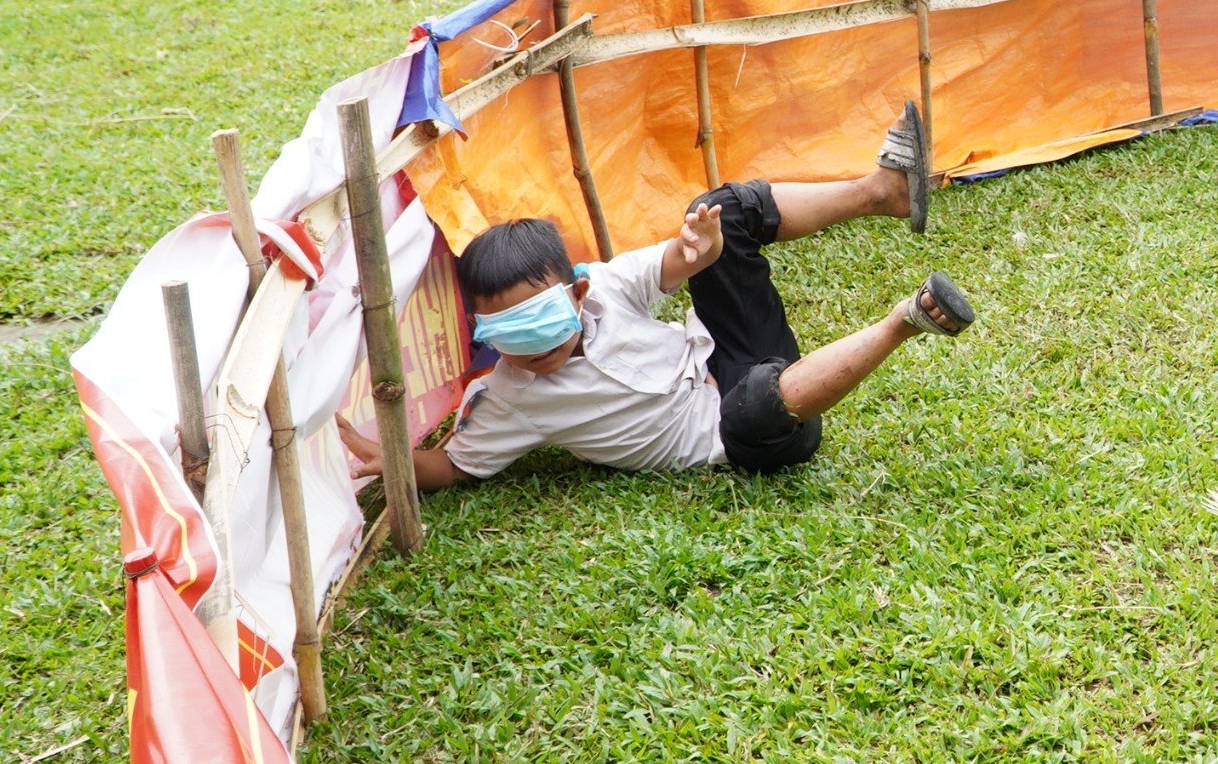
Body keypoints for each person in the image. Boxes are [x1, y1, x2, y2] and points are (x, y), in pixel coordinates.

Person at [341, 123, 970, 492]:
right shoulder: (510, 398)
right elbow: (455, 466)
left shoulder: (607, 287)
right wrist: (394, 458)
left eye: (542, 323)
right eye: (511, 337)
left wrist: (703, 246)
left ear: (578, 293)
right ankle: (905, 321)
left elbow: (674, 260)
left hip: (729, 352)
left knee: (720, 204)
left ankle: (881, 191)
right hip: (746, 433)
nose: (533, 352)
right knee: (754, 403)